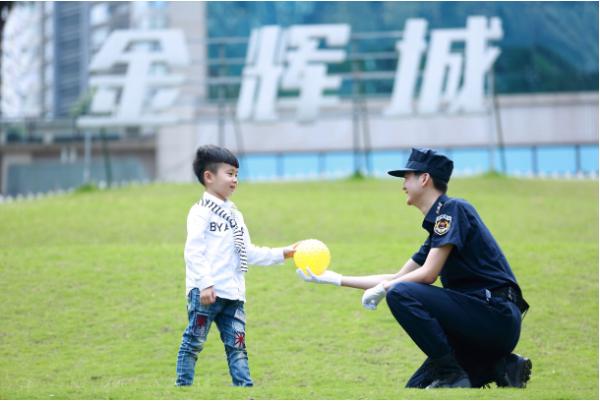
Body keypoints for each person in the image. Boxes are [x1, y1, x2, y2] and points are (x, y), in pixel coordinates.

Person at [297, 148, 532, 389]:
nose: (403, 185)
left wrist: (387, 289)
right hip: (476, 324)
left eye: (407, 177)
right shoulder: (439, 230)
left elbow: (426, 276)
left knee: (401, 293)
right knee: (417, 389)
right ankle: (501, 367)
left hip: (494, 316)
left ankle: (452, 371)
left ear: (424, 179)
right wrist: (336, 279)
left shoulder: (453, 211)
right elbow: (400, 276)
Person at [176, 145, 297, 387]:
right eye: (229, 173)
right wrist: (206, 284)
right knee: (194, 342)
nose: (235, 180)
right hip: (206, 295)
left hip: (234, 295)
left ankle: (244, 389)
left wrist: (283, 253)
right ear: (209, 177)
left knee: (238, 345)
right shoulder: (200, 213)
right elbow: (194, 251)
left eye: (236, 174)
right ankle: (183, 387)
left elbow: (247, 252)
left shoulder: (235, 215)